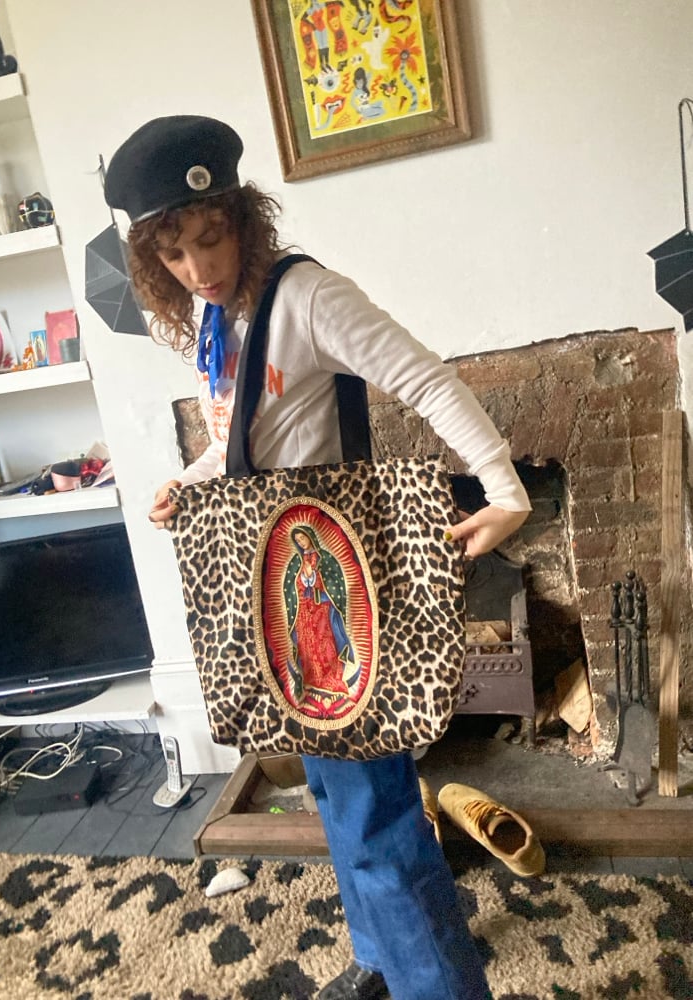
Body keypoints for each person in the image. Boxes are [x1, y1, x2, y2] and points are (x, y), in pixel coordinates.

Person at [104, 115, 530, 1000]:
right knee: (336, 801)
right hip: (283, 588)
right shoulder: (221, 320)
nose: (199, 268)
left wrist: (503, 487)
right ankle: (381, 961)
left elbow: (425, 378)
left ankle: (437, 988)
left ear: (242, 217)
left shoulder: (305, 297)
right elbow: (248, 437)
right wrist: (188, 480)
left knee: (376, 817)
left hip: (337, 583)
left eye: (211, 238)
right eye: (175, 255)